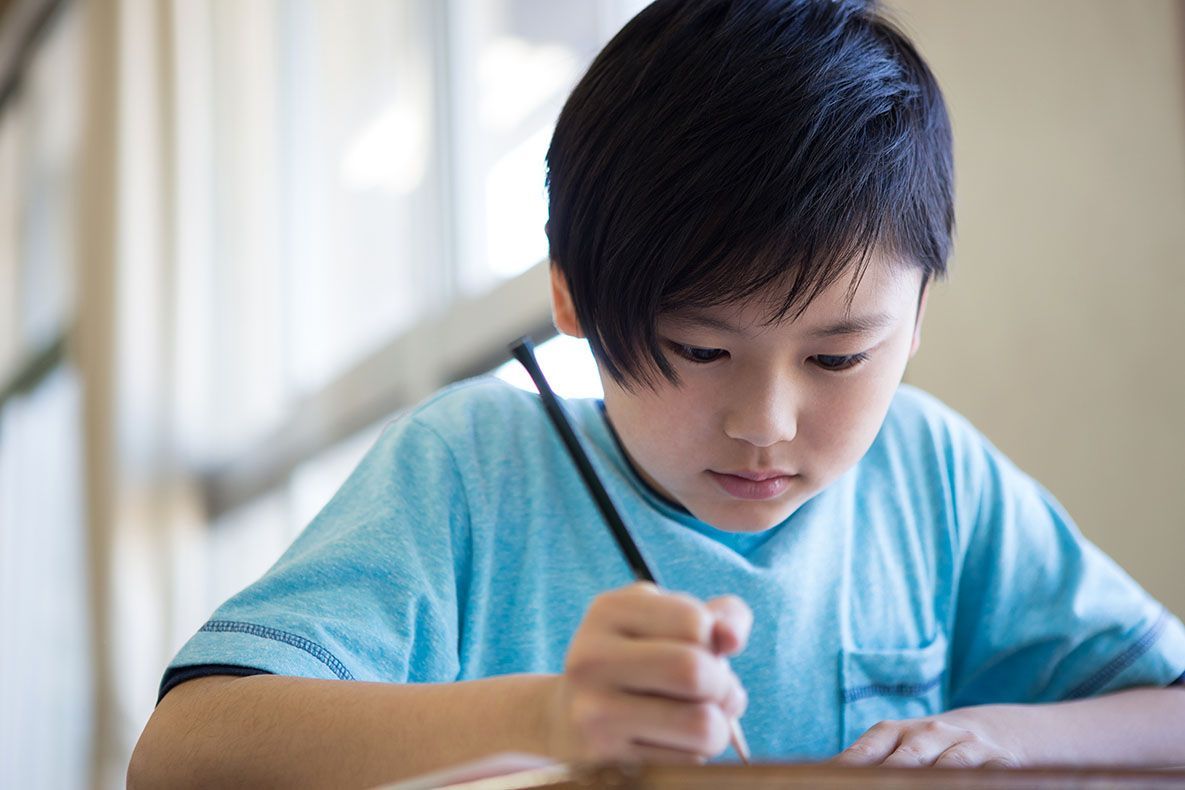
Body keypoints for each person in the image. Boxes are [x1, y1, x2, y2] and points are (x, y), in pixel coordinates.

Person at [128, 0, 1185, 786]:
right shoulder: (471, 469)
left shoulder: (931, 476)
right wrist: (544, 718)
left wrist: (1010, 738)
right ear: (572, 297)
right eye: (698, 348)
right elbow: (179, 756)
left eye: (837, 359)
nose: (765, 424)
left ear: (915, 321)